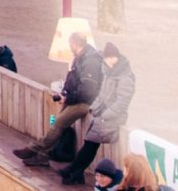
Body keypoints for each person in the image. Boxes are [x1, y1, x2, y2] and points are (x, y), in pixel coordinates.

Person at [16, 30, 103, 167]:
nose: (69, 47)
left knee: (58, 123)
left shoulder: (90, 61)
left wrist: (68, 98)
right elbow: (72, 79)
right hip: (75, 99)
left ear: (74, 43)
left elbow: (88, 90)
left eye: (70, 44)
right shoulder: (79, 57)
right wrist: (64, 94)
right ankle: (43, 157)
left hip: (85, 102)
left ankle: (33, 149)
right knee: (55, 125)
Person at [60, 44, 135, 185]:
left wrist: (105, 114)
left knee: (90, 144)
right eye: (107, 58)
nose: (109, 61)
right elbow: (101, 94)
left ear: (118, 57)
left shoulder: (125, 78)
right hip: (101, 115)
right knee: (90, 143)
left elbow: (122, 103)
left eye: (112, 57)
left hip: (112, 118)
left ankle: (74, 170)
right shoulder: (109, 71)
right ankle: (75, 172)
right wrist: (94, 108)